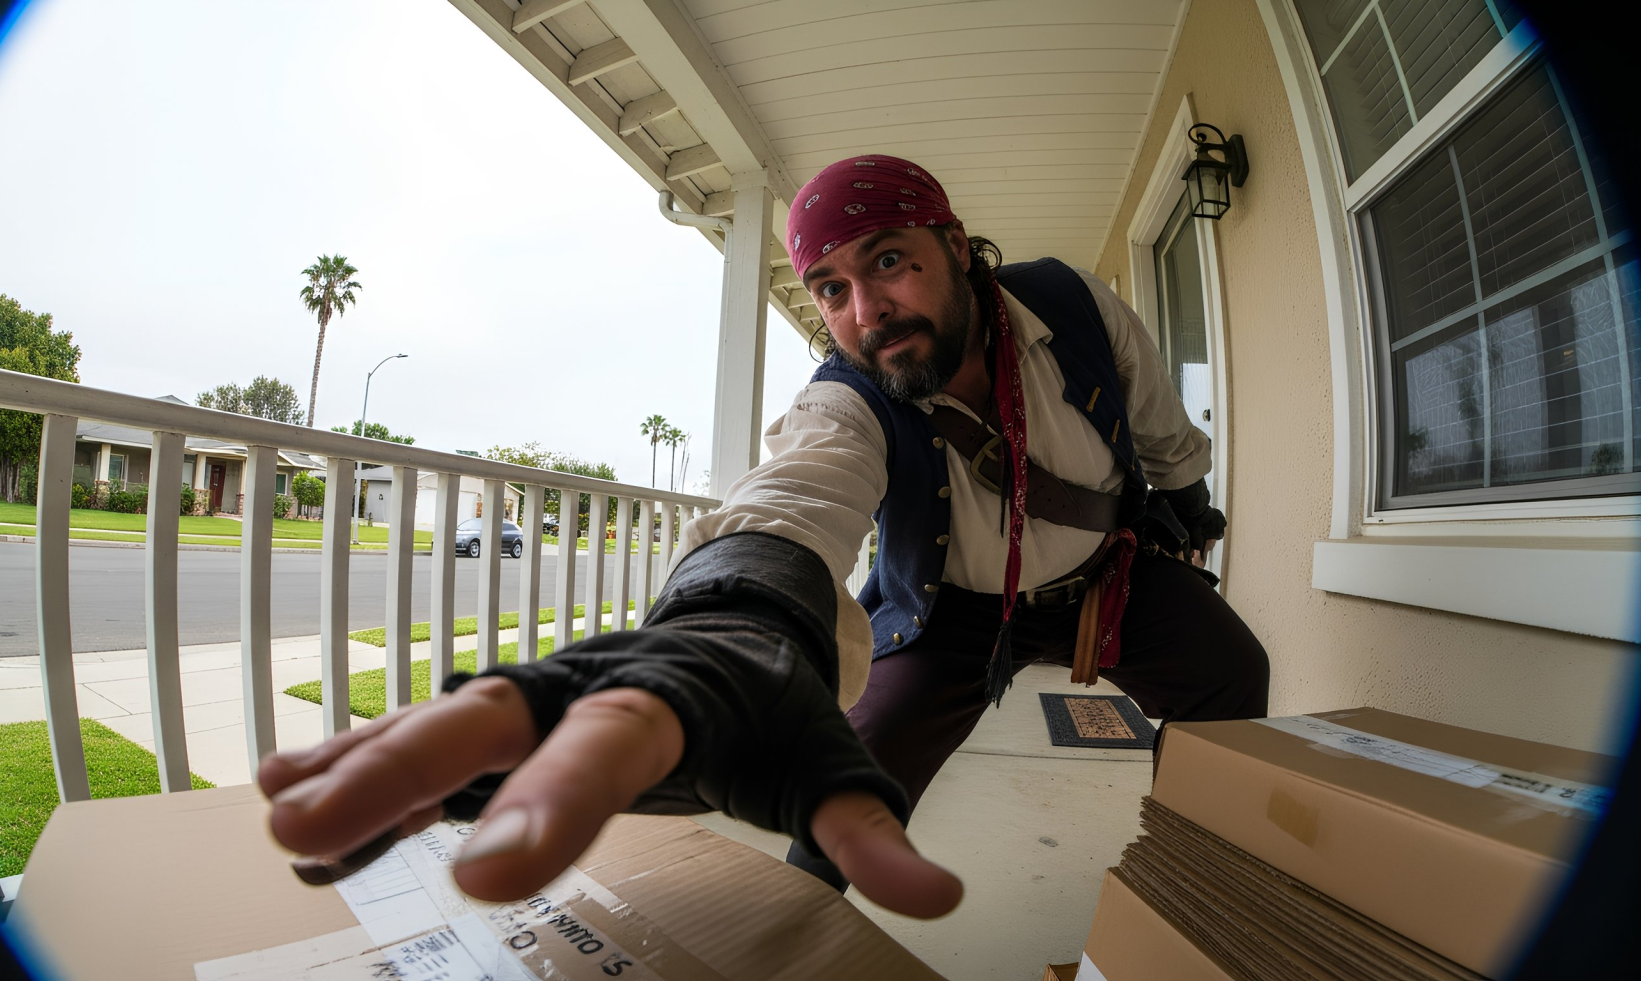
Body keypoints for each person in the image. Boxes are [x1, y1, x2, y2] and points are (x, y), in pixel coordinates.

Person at [257, 154, 1266, 921]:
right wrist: (717, 641)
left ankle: (1190, 883)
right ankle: (793, 942)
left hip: (1104, 578)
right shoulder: (847, 399)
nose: (868, 313)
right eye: (831, 288)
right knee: (837, 787)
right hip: (952, 614)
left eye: (889, 262)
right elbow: (792, 499)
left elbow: (1165, 433)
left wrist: (1184, 510)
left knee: (1232, 673)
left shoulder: (1077, 308)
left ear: (956, 246)